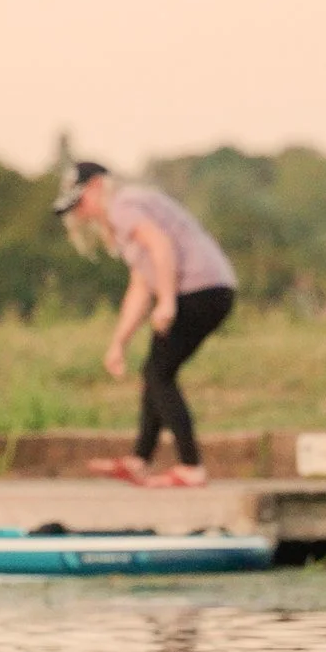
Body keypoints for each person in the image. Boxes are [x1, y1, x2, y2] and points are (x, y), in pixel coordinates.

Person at [53, 161, 236, 488]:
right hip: (206, 289)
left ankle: (191, 467)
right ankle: (139, 460)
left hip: (200, 289)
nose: (80, 212)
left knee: (158, 373)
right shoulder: (125, 218)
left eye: (80, 201)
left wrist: (166, 301)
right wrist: (119, 342)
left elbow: (161, 244)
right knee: (155, 372)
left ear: (96, 186)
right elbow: (140, 285)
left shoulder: (123, 204)